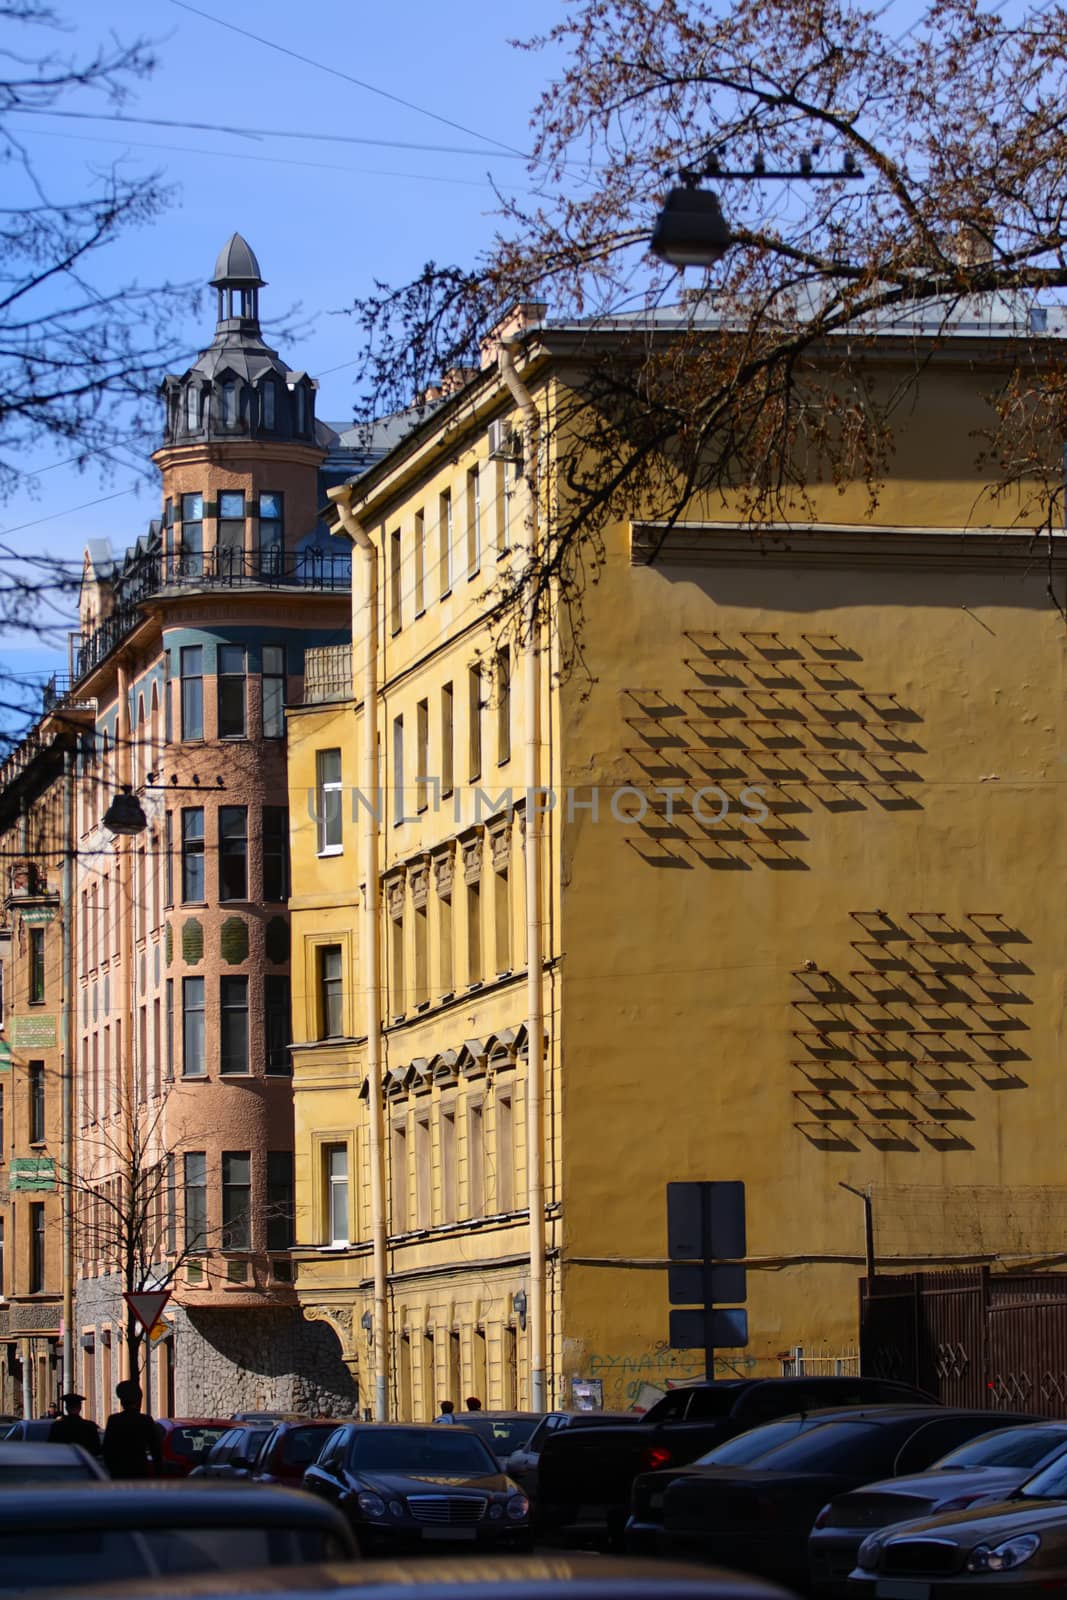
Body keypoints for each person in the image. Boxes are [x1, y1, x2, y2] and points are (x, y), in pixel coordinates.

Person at [101, 1379, 162, 1479]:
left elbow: (107, 1449)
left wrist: (113, 1468)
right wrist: (157, 1473)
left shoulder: (114, 1420)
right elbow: (156, 1449)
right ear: (138, 1401)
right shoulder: (146, 1420)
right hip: (140, 1471)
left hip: (119, 1472)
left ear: (121, 1402)